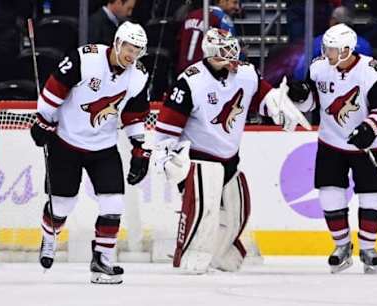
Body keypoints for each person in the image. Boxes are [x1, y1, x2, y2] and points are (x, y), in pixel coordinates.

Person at [152, 28, 310, 274]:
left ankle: (220, 255)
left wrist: (282, 104)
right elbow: (166, 125)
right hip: (198, 159)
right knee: (205, 209)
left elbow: (264, 99)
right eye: (225, 50)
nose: (231, 53)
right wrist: (163, 156)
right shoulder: (191, 80)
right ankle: (192, 256)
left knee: (237, 212)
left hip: (229, 159)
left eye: (231, 47)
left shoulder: (246, 74)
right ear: (212, 53)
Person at [30, 21, 151, 284]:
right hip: (66, 141)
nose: (132, 56)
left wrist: (140, 148)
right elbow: (53, 89)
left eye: (138, 51)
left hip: (103, 146)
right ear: (117, 43)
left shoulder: (138, 76)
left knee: (114, 202)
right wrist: (44, 120)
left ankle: (102, 262)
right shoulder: (86, 58)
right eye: (129, 48)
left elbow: (134, 115)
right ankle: (49, 239)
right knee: (62, 204)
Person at [288, 23, 377, 274]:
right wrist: (301, 95)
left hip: (368, 145)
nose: (328, 54)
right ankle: (342, 246)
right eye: (326, 48)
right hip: (331, 142)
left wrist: (369, 128)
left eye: (333, 50)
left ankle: (368, 248)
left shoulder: (372, 70)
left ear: (347, 50)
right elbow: (311, 105)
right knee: (329, 193)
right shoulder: (318, 67)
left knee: (371, 195)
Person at [293, 6, 373, 81]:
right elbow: (369, 74)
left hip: (326, 91)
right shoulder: (364, 44)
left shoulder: (318, 42)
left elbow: (300, 73)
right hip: (356, 90)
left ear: (333, 21)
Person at [176, 0, 240, 73]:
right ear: (222, 1)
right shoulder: (222, 18)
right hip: (203, 71)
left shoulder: (191, 15)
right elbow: (230, 52)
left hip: (183, 70)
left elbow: (178, 41)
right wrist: (242, 55)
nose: (237, 7)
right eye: (234, 2)